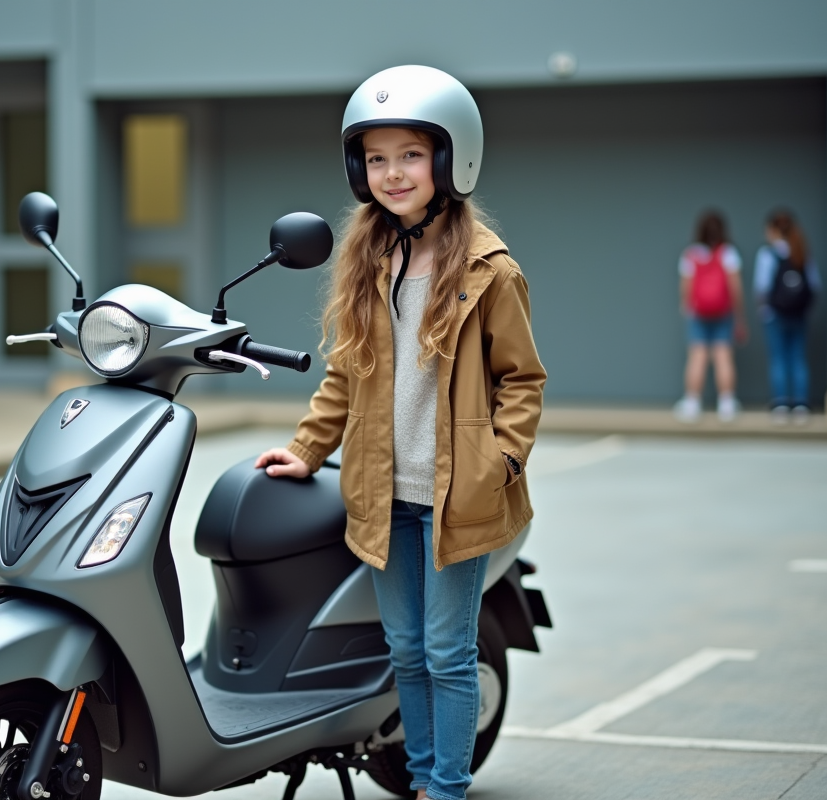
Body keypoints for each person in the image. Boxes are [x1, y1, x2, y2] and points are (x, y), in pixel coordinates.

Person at [254, 66, 545, 800]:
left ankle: (445, 789)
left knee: (448, 653)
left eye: (411, 155)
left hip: (457, 498)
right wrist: (307, 450)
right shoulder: (369, 260)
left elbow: (522, 380)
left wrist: (502, 462)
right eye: (376, 158)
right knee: (407, 651)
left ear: (450, 158)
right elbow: (344, 376)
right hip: (384, 495)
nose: (392, 173)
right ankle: (419, 780)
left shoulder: (490, 271)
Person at [673, 210, 748, 423]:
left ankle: (692, 404)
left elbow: (685, 287)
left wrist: (687, 306)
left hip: (698, 312)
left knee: (697, 357)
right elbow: (735, 287)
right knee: (723, 356)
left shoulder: (691, 254)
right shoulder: (728, 253)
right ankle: (726, 404)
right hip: (723, 312)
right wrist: (739, 315)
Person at [753, 209, 821, 423]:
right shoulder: (801, 251)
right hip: (799, 315)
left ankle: (781, 404)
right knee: (798, 358)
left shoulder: (767, 254)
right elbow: (815, 285)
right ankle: (800, 405)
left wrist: (765, 310)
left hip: (775, 316)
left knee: (779, 359)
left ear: (773, 230)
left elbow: (761, 287)